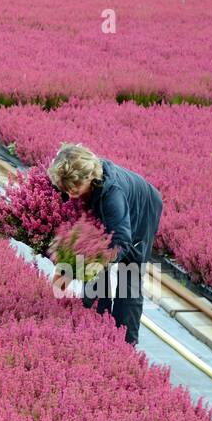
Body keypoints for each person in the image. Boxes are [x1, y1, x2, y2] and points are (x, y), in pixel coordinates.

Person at [47, 144, 162, 345]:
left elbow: (122, 241)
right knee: (96, 277)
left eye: (75, 190)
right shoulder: (71, 176)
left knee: (130, 278)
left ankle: (124, 345)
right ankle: (97, 331)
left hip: (141, 213)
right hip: (108, 212)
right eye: (67, 189)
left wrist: (85, 266)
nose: (71, 195)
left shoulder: (112, 195)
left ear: (90, 179)